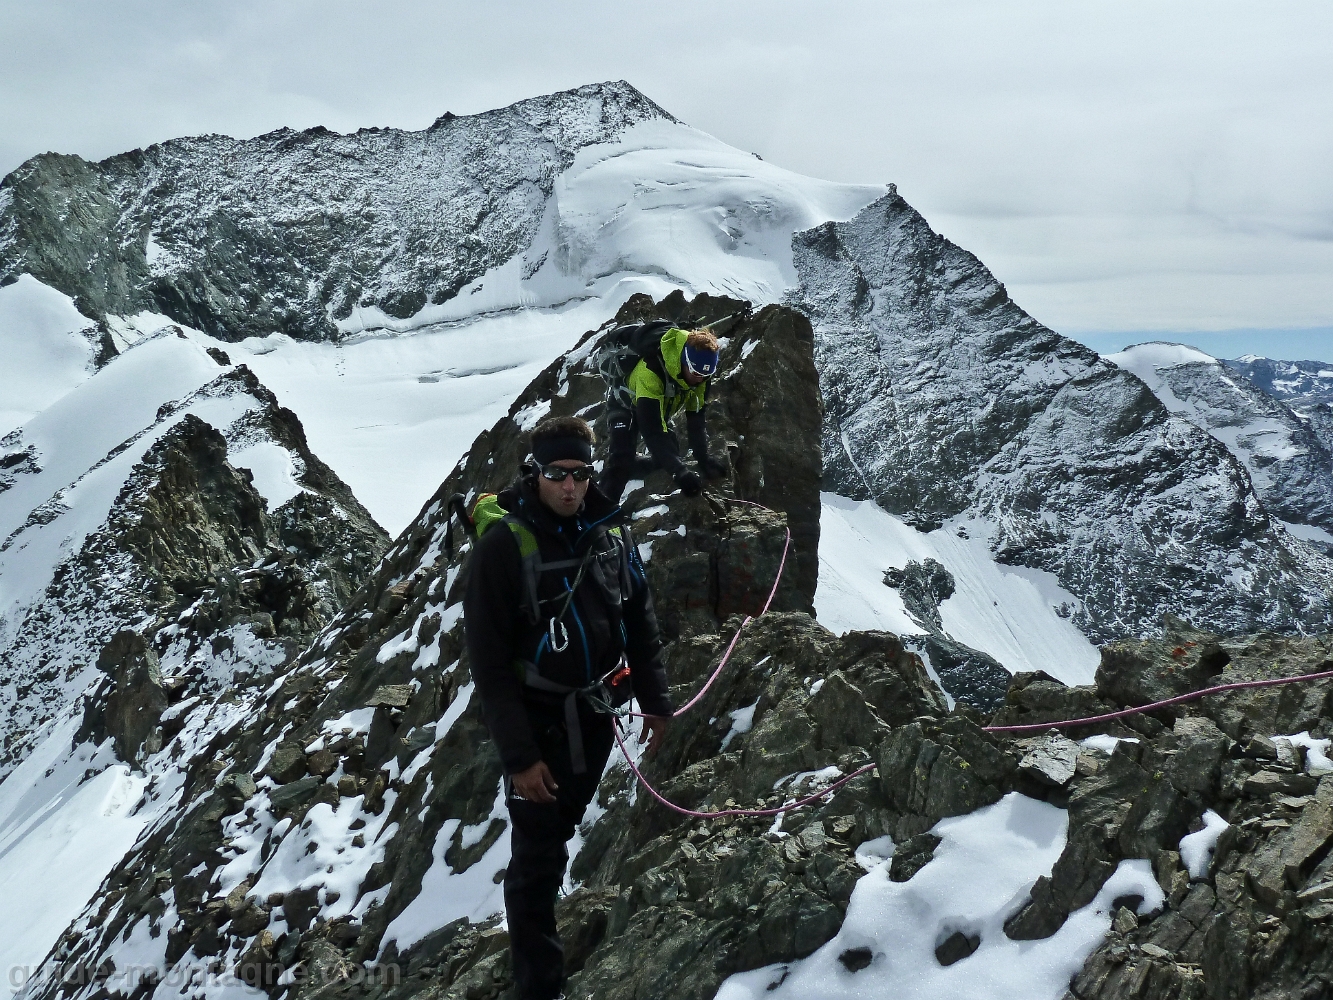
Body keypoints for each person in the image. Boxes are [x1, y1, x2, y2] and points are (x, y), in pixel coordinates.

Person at [463, 415, 672, 1000]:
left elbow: (639, 618)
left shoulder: (608, 532)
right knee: (534, 867)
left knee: (558, 836)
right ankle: (540, 988)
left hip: (595, 715)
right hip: (538, 723)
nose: (571, 487)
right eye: (558, 475)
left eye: (581, 474)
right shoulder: (504, 549)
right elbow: (489, 665)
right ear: (535, 474)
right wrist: (520, 758)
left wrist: (656, 701)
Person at [599, 325, 729, 505]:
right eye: (695, 373)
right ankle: (600, 515)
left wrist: (703, 458)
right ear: (684, 361)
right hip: (625, 403)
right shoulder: (651, 371)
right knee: (621, 462)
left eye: (706, 374)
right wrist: (680, 471)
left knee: (666, 458)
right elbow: (652, 430)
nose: (699, 379)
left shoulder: (701, 376)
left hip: (659, 408)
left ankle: (630, 471)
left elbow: (696, 418)